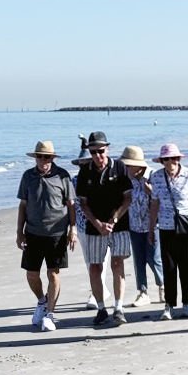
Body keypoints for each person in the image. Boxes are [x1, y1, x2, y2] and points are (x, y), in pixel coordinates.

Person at [148, 144, 188, 320]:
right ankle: (169, 305)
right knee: (169, 267)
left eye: (175, 158)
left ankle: (187, 302)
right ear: (162, 161)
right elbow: (154, 203)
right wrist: (150, 228)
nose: (172, 162)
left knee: (186, 265)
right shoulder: (156, 177)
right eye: (168, 159)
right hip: (166, 227)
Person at [16, 141, 77, 332]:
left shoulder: (62, 176)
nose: (43, 160)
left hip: (57, 233)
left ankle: (50, 314)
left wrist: (72, 229)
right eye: (40, 156)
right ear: (35, 157)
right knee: (31, 274)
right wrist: (19, 232)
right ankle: (42, 302)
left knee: (53, 273)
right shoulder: (28, 176)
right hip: (33, 232)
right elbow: (23, 206)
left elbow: (71, 205)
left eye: (47, 157)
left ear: (52, 158)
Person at [74, 131, 133, 325]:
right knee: (95, 267)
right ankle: (101, 308)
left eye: (101, 151)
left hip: (119, 224)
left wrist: (114, 219)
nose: (98, 156)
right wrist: (97, 224)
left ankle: (118, 307)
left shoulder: (120, 167)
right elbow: (83, 203)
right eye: (93, 152)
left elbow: (127, 198)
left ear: (107, 149)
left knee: (117, 263)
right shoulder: (85, 172)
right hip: (94, 226)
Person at [119, 145, 164, 307]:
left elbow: (163, 200)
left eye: (129, 165)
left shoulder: (153, 176)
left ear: (138, 164)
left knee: (154, 258)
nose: (126, 168)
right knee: (139, 260)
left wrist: (151, 192)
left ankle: (162, 286)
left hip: (153, 225)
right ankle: (143, 292)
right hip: (134, 225)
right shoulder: (126, 179)